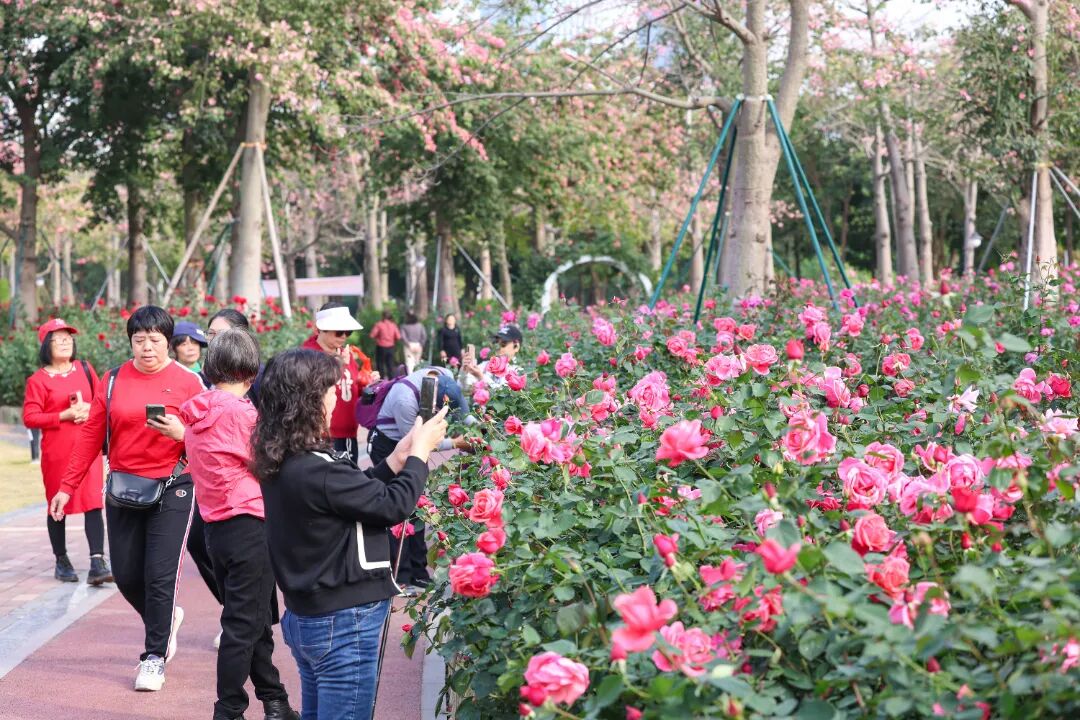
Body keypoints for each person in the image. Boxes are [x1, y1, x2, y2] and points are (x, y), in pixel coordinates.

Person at [252, 349, 448, 720]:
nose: (335, 400)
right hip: (342, 620)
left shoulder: (287, 459)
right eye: (330, 391)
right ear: (308, 402)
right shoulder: (318, 469)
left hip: (310, 612)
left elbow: (352, 495)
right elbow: (392, 506)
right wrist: (420, 455)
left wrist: (398, 459)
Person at [51, 305, 205, 692]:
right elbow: (91, 435)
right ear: (130, 342)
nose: (147, 347)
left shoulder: (189, 382)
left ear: (168, 342)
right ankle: (165, 619)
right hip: (123, 486)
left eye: (155, 340)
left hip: (174, 485)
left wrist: (182, 434)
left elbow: (210, 436)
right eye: (139, 340)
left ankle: (153, 658)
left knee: (159, 575)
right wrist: (67, 486)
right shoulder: (112, 380)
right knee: (125, 575)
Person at [180, 329, 298, 720]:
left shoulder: (196, 412)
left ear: (210, 367)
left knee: (253, 620)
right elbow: (271, 464)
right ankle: (228, 709)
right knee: (242, 624)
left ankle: (275, 700)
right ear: (251, 372)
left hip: (216, 528)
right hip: (250, 525)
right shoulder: (244, 415)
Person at [368, 366, 475, 593]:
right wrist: (456, 443)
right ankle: (401, 574)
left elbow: (465, 416)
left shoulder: (444, 375)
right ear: (434, 402)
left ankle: (419, 572)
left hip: (415, 444)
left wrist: (481, 433)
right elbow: (419, 442)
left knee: (419, 506)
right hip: (390, 446)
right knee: (398, 508)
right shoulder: (405, 399)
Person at [22, 318, 112, 586]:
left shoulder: (85, 368)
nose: (65, 342)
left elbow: (102, 400)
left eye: (68, 338)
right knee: (57, 504)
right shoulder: (38, 380)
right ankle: (61, 561)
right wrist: (65, 415)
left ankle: (97, 562)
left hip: (88, 449)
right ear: (45, 345)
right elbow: (30, 417)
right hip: (57, 453)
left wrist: (88, 410)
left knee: (93, 502)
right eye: (58, 339)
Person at [301, 302, 376, 463]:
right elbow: (310, 389)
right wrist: (338, 365)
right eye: (339, 332)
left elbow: (352, 387)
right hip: (319, 434)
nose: (344, 337)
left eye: (347, 332)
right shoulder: (307, 355)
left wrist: (367, 384)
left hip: (348, 433)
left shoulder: (345, 353)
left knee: (349, 475)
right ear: (320, 329)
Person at [205, 309, 263, 404]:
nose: (214, 339)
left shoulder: (256, 374)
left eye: (222, 334)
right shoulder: (201, 375)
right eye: (211, 333)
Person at [461, 323, 523, 394]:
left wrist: (481, 378)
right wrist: (464, 371)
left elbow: (506, 395)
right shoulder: (485, 365)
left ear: (516, 347)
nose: (498, 347)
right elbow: (463, 388)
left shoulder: (519, 370)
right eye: (496, 343)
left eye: (503, 344)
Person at [369, 310, 401, 380]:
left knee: (380, 365)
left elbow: (372, 335)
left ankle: (381, 381)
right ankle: (391, 381)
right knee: (390, 365)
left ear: (383, 316)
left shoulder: (379, 324)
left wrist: (377, 338)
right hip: (391, 348)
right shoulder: (393, 325)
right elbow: (398, 337)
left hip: (381, 347)